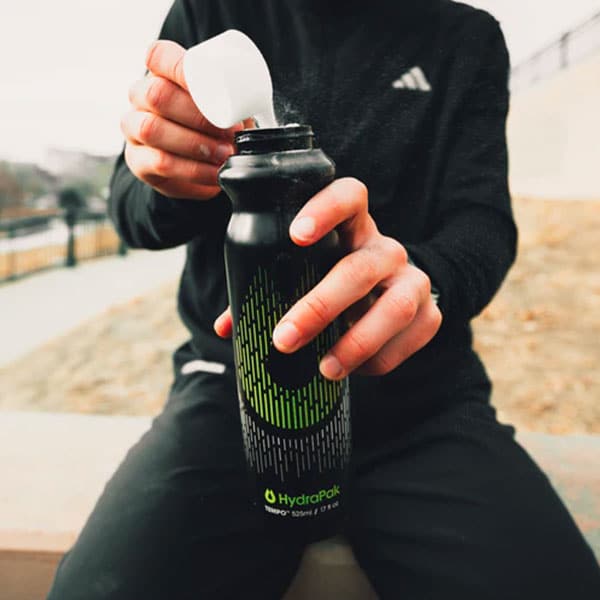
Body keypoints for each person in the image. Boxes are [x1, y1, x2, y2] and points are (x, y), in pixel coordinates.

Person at [47, 1, 600, 598]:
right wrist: (168, 172)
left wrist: (420, 283)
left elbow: (483, 225)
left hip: (421, 404)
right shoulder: (211, 12)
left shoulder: (465, 36)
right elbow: (130, 212)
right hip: (234, 397)